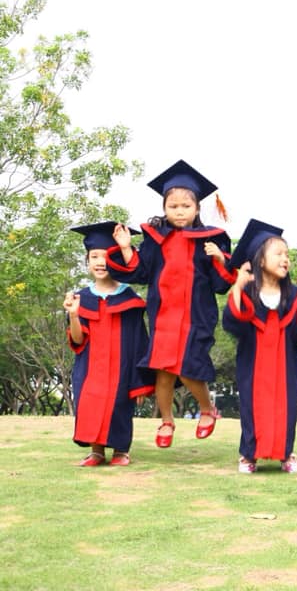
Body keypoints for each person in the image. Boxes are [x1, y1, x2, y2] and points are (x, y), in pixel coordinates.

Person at [107, 160, 236, 448]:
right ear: (164, 208)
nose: (179, 211)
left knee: (188, 367)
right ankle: (166, 420)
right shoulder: (155, 239)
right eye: (173, 206)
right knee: (163, 372)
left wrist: (219, 258)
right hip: (164, 316)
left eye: (186, 206)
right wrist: (126, 248)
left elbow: (221, 284)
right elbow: (141, 272)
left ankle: (207, 409)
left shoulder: (211, 238)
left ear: (197, 209)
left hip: (196, 317)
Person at [222, 219, 297, 474]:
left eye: (287, 255)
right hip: (253, 359)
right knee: (251, 405)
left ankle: (286, 453)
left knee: (286, 406)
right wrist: (237, 288)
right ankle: (248, 454)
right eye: (278, 254)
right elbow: (233, 323)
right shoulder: (247, 292)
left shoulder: (294, 294)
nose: (285, 259)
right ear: (260, 260)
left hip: (286, 361)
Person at [64, 222, 155, 466]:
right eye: (94, 256)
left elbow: (140, 343)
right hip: (89, 369)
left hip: (122, 369)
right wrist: (74, 314)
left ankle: (121, 451)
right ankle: (96, 451)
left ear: (117, 261)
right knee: (91, 403)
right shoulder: (80, 298)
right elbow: (78, 340)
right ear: (87, 261)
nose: (100, 262)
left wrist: (141, 383)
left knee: (120, 405)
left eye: (107, 256)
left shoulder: (130, 298)